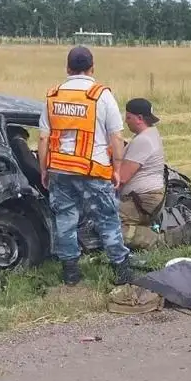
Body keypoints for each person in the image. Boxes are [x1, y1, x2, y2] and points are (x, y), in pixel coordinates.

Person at [37, 45, 133, 286]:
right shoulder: (101, 95)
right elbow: (116, 137)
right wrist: (117, 169)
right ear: (92, 68)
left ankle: (70, 272)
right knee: (107, 218)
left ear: (68, 68)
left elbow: (43, 138)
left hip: (60, 170)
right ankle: (121, 270)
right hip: (94, 170)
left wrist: (44, 169)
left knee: (66, 219)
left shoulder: (53, 95)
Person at [118, 97, 167, 250]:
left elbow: (122, 177)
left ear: (139, 118)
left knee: (106, 222)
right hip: (144, 198)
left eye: (128, 117)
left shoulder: (143, 140)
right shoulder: (149, 134)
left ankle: (157, 239)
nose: (126, 121)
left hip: (143, 200)